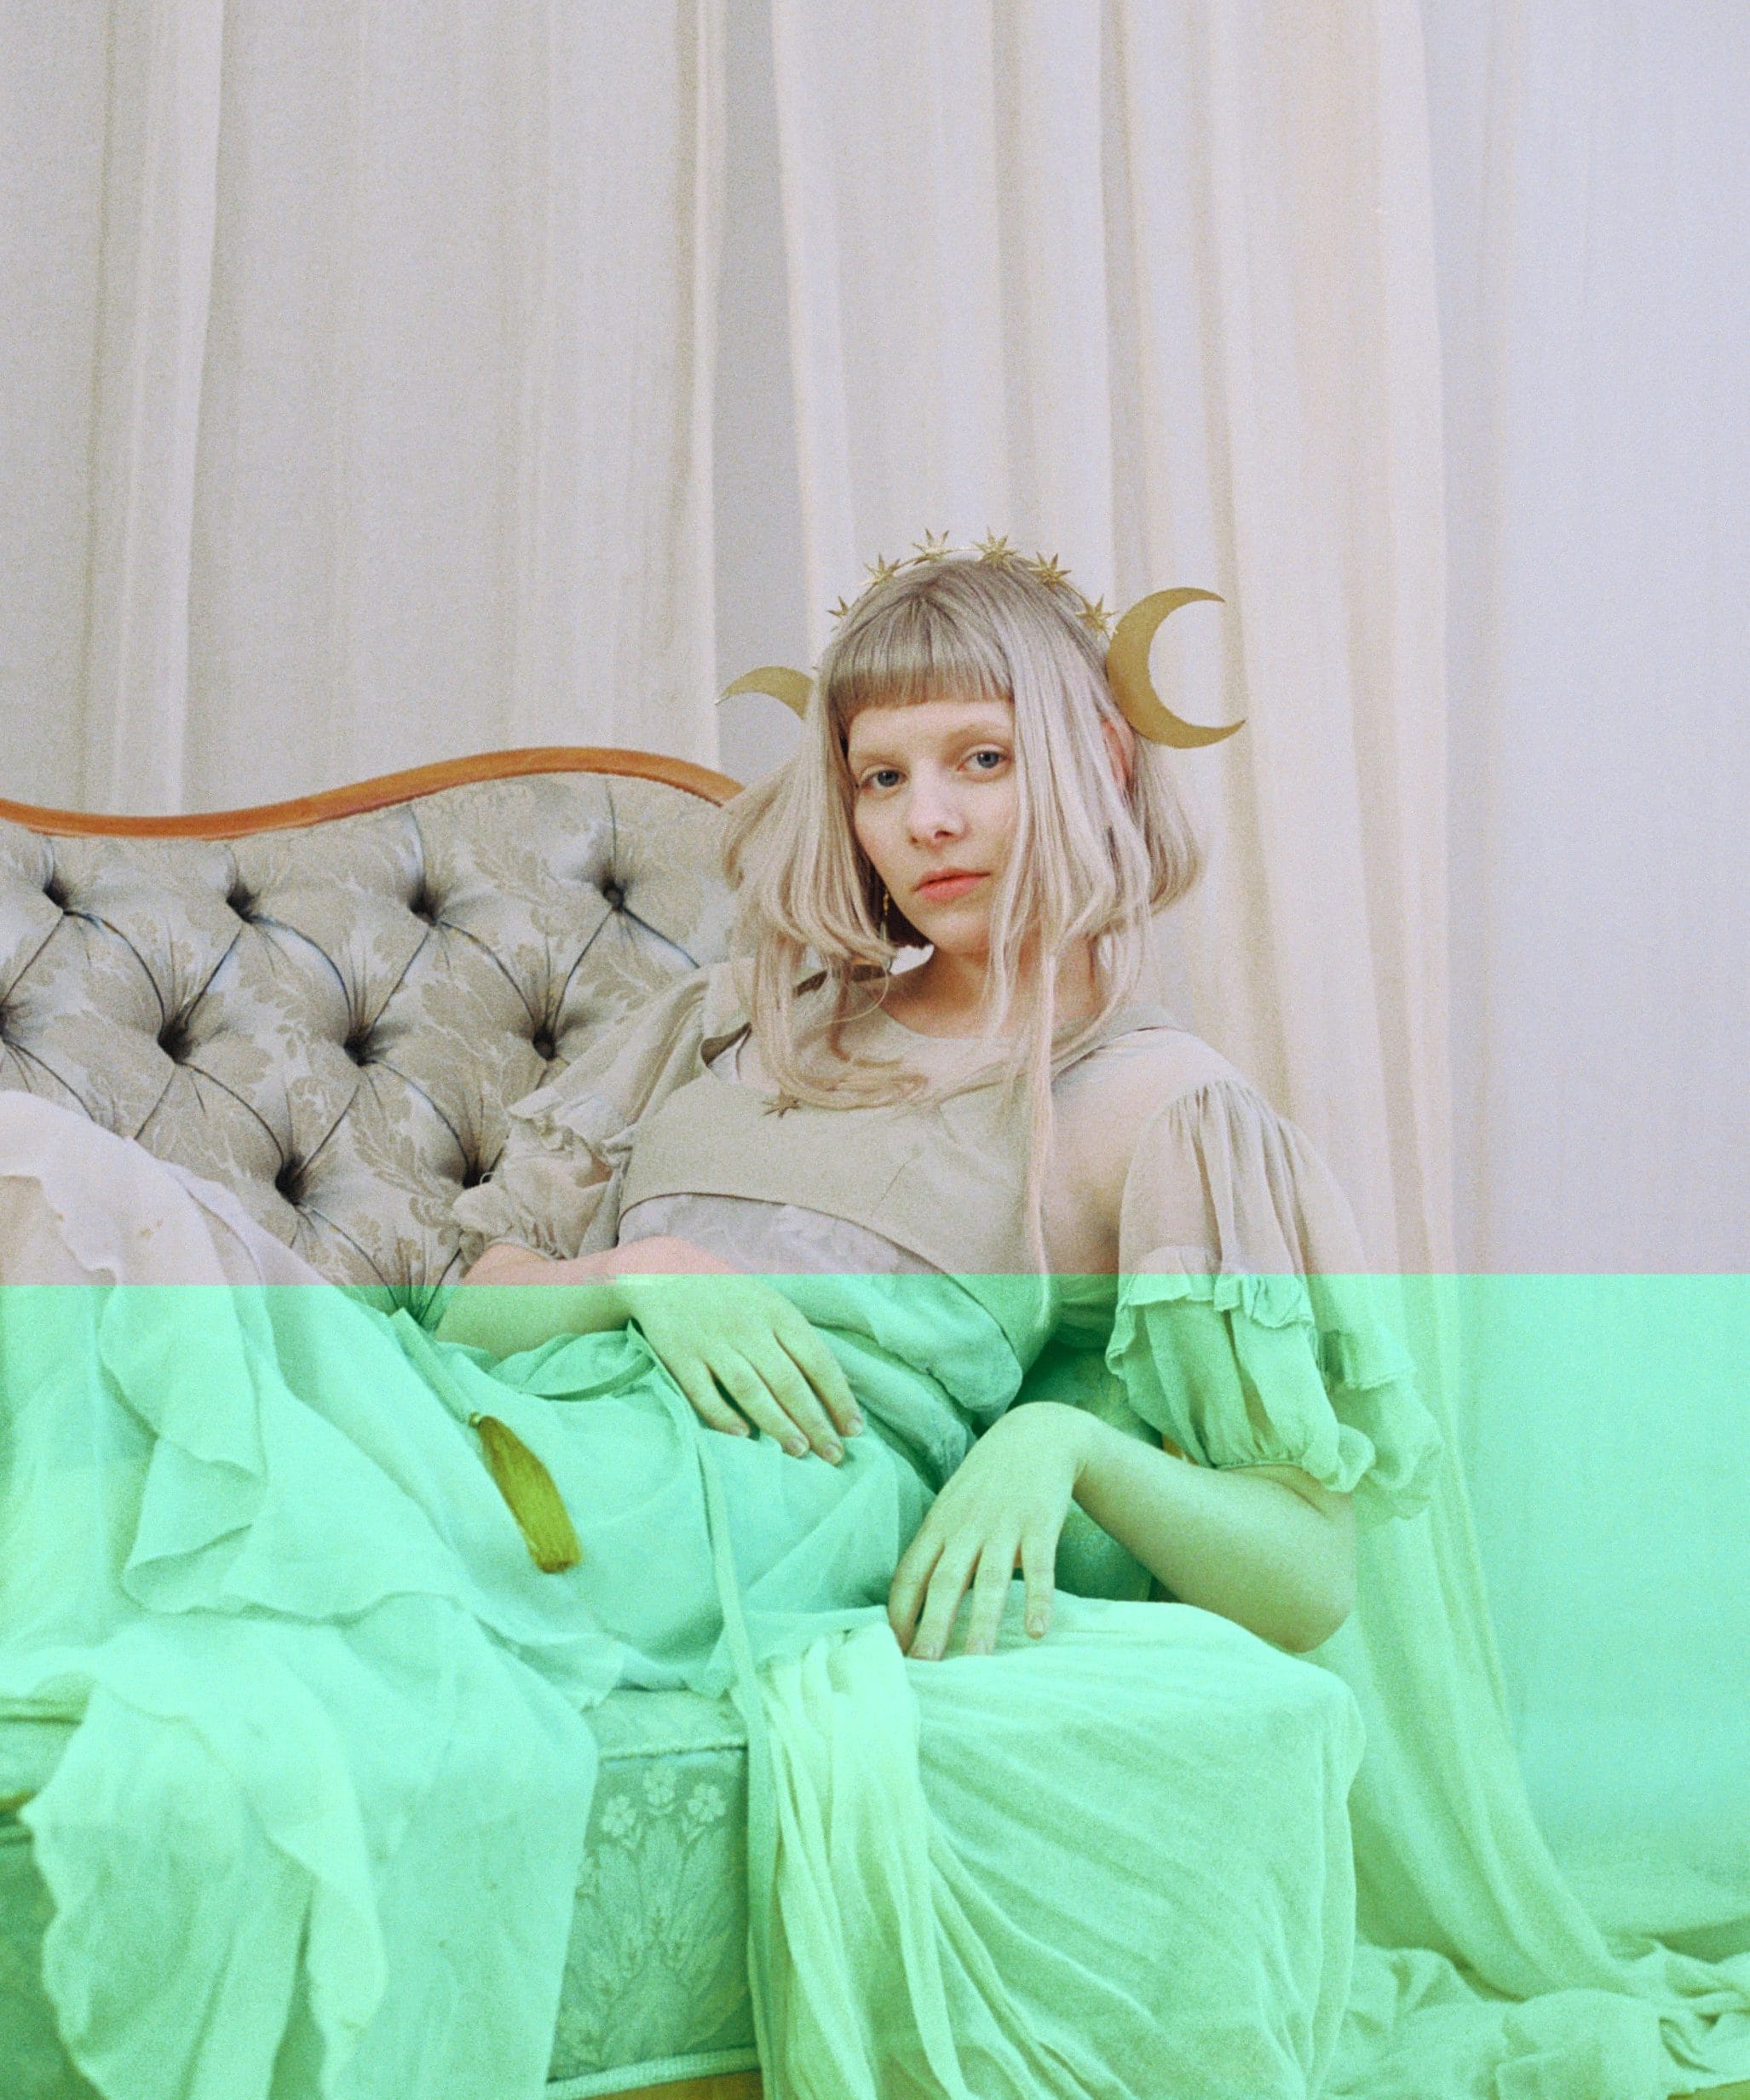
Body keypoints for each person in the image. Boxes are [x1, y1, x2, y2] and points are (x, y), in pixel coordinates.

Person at [23, 538, 1697, 2100]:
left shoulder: (1149, 1103)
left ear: (1102, 763)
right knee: (84, 1372)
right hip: (505, 1417)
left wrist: (1063, 1439)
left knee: (106, 1342)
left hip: (731, 1508)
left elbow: (1307, 1573)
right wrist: (641, 1272)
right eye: (879, 775)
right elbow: (467, 1311)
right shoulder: (725, 1020)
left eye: (982, 758)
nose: (927, 820)